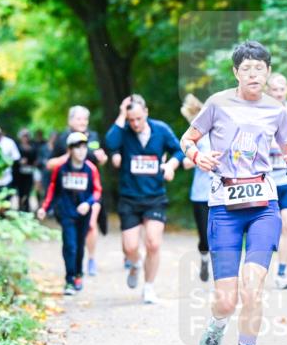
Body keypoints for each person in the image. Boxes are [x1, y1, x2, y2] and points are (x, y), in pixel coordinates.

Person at [180, 40, 287, 345]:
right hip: (224, 207)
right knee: (226, 299)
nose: (253, 74)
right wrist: (196, 156)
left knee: (253, 289)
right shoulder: (217, 104)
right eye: (246, 68)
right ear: (235, 72)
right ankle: (218, 324)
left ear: (267, 72)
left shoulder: (276, 111)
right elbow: (187, 139)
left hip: (264, 205)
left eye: (259, 68)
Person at [105, 94, 184, 304]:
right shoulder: (123, 132)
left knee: (153, 243)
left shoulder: (161, 130)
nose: (135, 123)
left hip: (155, 197)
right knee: (130, 247)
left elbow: (179, 150)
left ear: (146, 113)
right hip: (130, 197)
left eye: (138, 118)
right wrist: (122, 115)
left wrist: (170, 165)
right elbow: (110, 143)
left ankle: (149, 288)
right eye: (131, 119)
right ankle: (135, 264)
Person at [38, 132, 103, 296]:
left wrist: (87, 204)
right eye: (77, 148)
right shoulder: (61, 168)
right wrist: (44, 208)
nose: (81, 151)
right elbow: (53, 189)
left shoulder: (91, 169)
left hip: (83, 214)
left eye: (84, 148)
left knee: (80, 246)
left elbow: (97, 192)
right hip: (66, 212)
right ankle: (69, 279)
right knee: (70, 245)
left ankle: (78, 274)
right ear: (70, 150)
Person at [47, 106, 108, 277]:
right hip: (68, 193)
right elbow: (49, 164)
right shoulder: (62, 139)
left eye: (85, 119)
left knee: (91, 224)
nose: (83, 122)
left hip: (90, 190)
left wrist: (103, 159)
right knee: (72, 232)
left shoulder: (94, 136)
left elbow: (100, 159)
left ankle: (92, 259)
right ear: (70, 120)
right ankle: (74, 263)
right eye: (79, 119)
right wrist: (66, 158)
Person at [265, 72, 287, 290]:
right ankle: (259, 268)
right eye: (274, 89)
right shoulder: (259, 112)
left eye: (282, 88)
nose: (279, 92)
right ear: (268, 91)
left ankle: (281, 271)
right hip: (264, 181)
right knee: (267, 228)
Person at [181, 94, 212, 282]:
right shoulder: (193, 136)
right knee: (204, 236)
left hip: (223, 191)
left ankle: (223, 268)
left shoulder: (222, 131)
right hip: (200, 193)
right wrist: (200, 158)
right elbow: (185, 163)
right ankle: (204, 259)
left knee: (222, 232)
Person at [13, 128, 37, 213]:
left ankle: (26, 208)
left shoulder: (33, 147)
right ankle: (20, 208)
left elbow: (35, 159)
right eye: (24, 136)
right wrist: (20, 161)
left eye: (26, 136)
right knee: (20, 192)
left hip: (29, 173)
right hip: (19, 174)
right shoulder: (16, 147)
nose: (25, 138)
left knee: (27, 191)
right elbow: (13, 159)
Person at [33, 127, 53, 207]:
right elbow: (38, 159)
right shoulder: (40, 146)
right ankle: (40, 204)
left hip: (50, 172)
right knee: (40, 188)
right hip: (41, 170)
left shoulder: (55, 147)